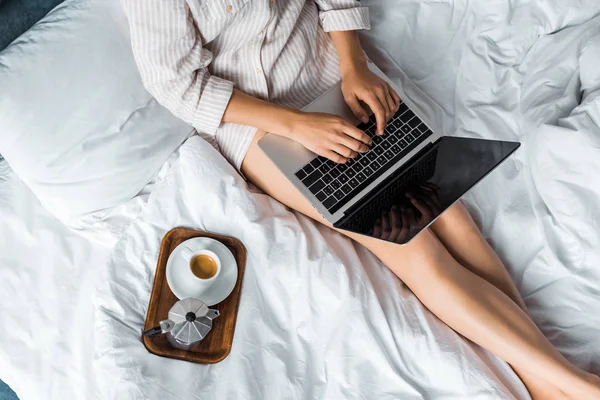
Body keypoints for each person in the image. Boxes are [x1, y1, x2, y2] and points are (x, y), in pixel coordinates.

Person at [122, 1, 600, 398]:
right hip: (261, 125)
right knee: (416, 250)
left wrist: (352, 66)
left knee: (451, 218)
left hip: (333, 77)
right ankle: (577, 386)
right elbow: (177, 84)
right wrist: (295, 124)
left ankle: (545, 382)